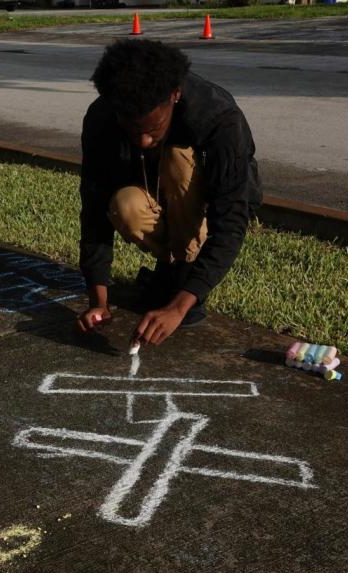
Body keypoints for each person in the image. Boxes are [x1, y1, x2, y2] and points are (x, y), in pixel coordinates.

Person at [76, 40, 261, 350]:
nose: (144, 140)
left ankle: (183, 275)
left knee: (178, 161)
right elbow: (94, 208)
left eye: (154, 127)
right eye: (132, 131)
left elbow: (231, 220)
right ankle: (169, 271)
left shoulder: (218, 118)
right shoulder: (101, 117)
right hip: (151, 193)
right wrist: (98, 301)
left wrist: (179, 306)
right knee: (125, 206)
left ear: (175, 95)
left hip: (207, 201)